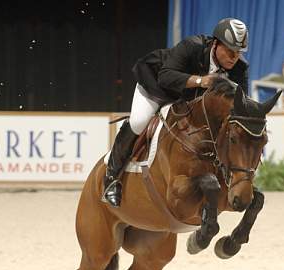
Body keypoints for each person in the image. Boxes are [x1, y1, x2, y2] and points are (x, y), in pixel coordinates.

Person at [102, 17, 250, 207]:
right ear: (215, 44)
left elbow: (239, 103)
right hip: (158, 87)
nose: (234, 57)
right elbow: (166, 76)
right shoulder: (192, 46)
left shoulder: (240, 68)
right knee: (139, 122)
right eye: (229, 50)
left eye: (238, 52)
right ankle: (111, 178)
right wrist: (200, 81)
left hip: (186, 101)